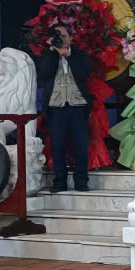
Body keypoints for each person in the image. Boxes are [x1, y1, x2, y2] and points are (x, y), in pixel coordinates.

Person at [34, 23, 93, 193]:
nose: (60, 39)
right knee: (57, 146)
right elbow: (44, 73)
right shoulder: (48, 55)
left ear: (71, 38)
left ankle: (81, 181)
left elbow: (84, 74)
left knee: (81, 146)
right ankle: (59, 182)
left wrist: (69, 56)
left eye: (64, 36)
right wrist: (52, 52)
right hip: (56, 107)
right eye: (57, 36)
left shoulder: (80, 55)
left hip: (78, 106)